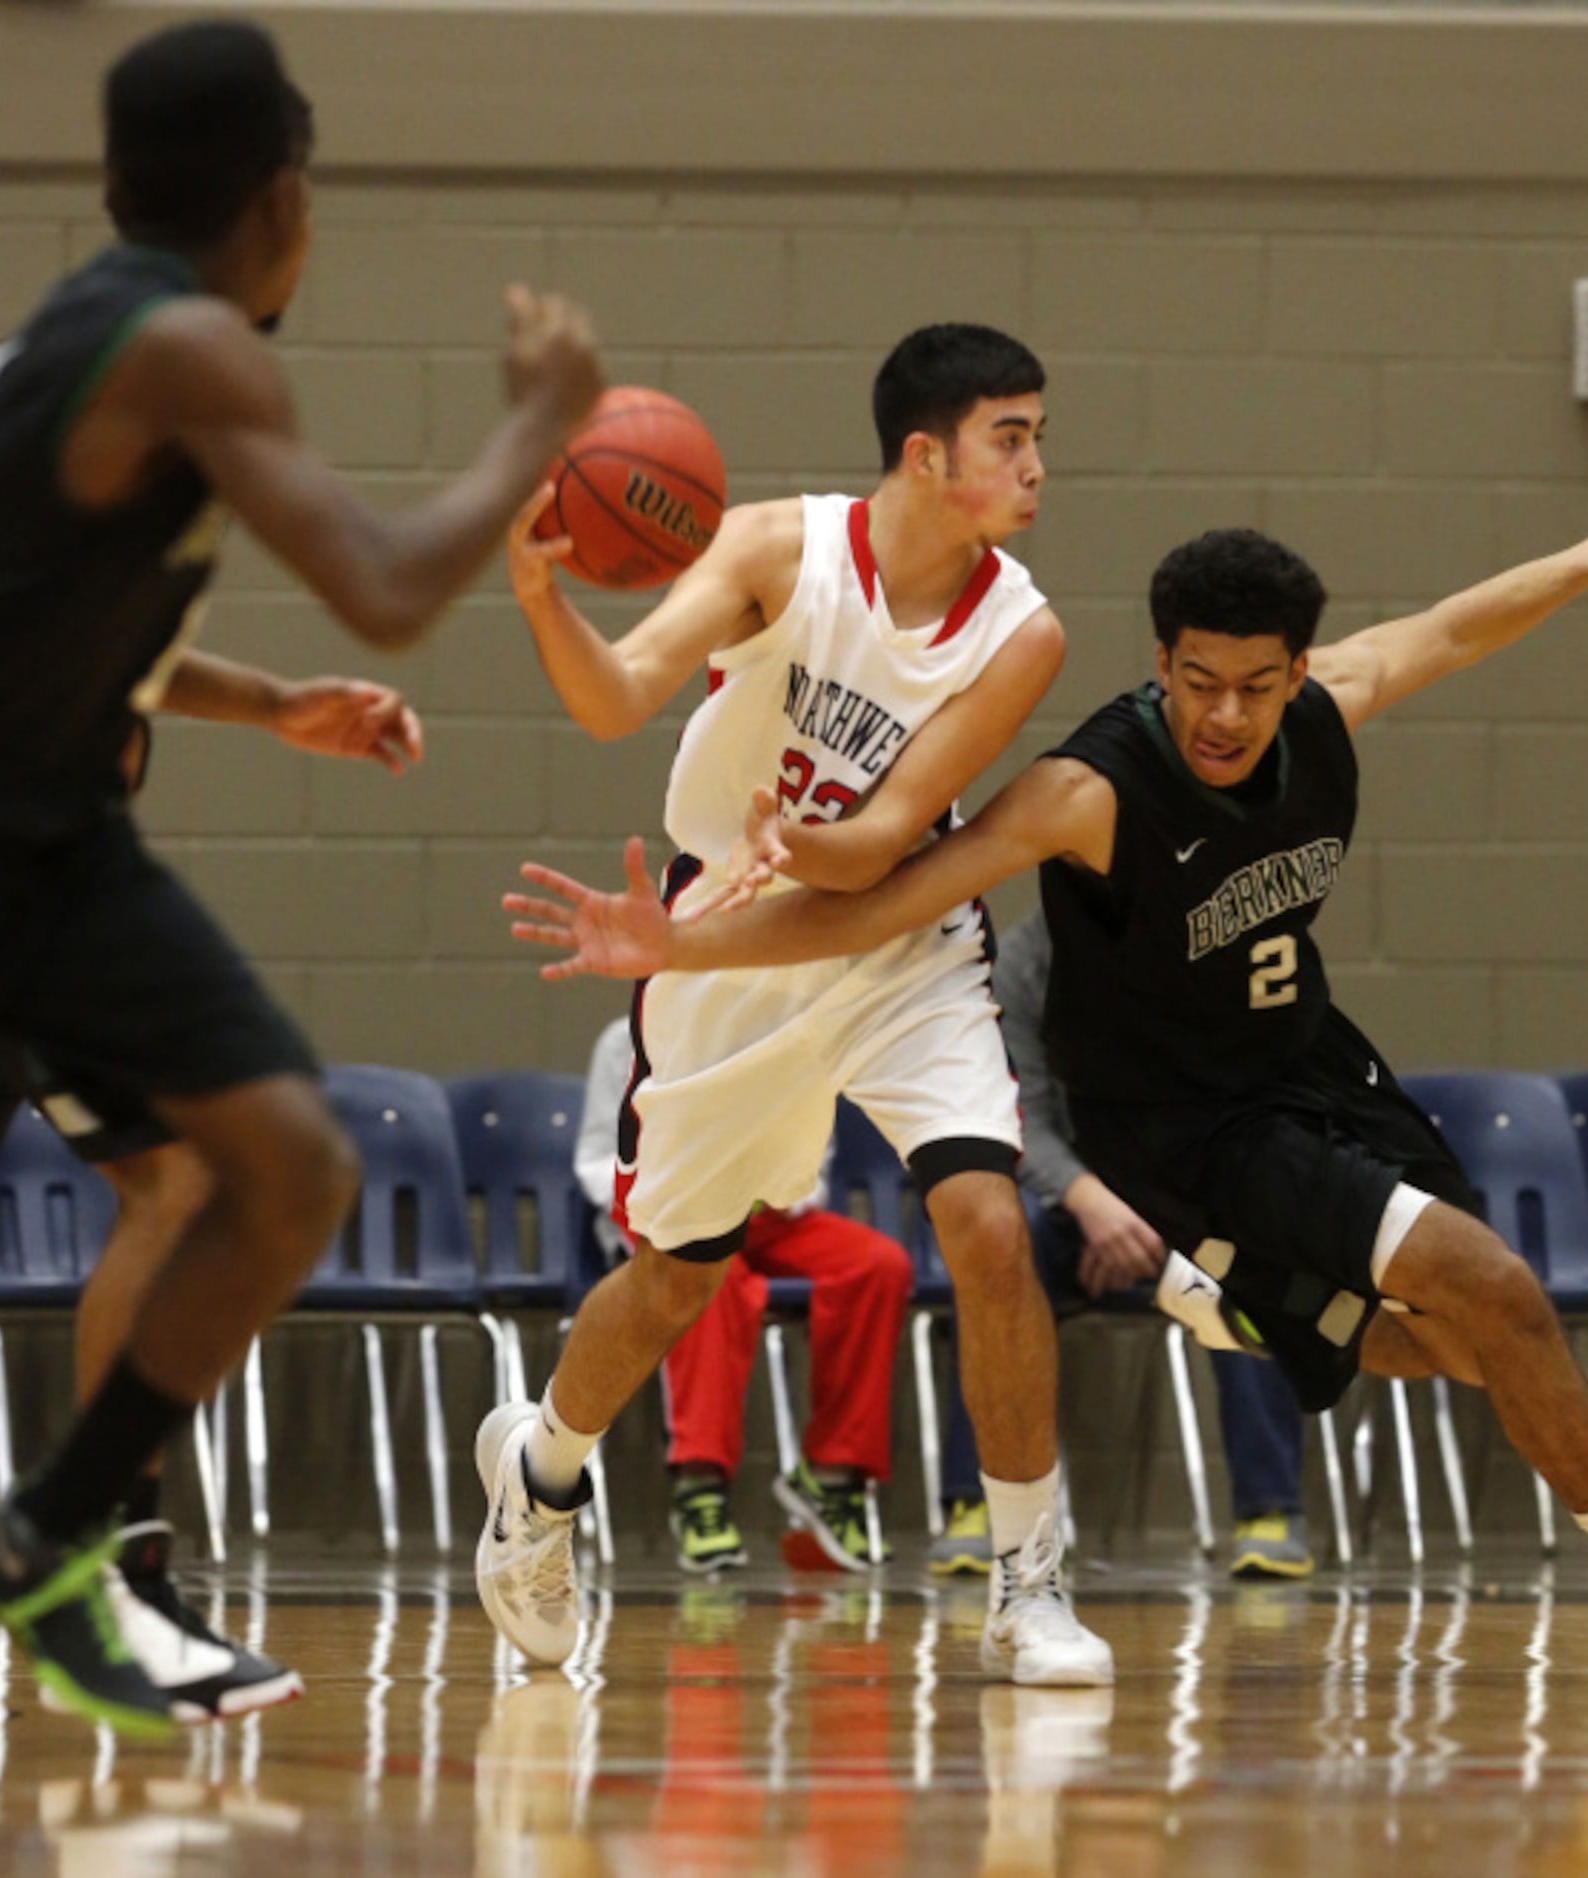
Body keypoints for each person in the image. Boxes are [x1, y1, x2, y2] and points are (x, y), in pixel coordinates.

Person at [511, 518, 1588, 1685]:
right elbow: (895, 895)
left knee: (1455, 1332)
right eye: (1196, 681)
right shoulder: (1091, 790)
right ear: (1158, 661)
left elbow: (1453, 628)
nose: (1223, 715)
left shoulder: (1321, 716)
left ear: (1297, 674)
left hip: (1314, 1077)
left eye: (1253, 686)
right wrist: (679, 943)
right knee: (1499, 1293)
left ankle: (1253, 1313)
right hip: (1183, 1132)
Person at [0, 18, 601, 1736]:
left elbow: (72, 626)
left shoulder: (93, 340)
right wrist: (535, 426)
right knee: (261, 1172)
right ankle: (61, 1537)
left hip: (56, 845)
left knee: (274, 1163)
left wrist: (272, 709)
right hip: (12, 841)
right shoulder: (190, 351)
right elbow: (392, 581)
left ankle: (54, 1533)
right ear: (282, 198)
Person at [475, 322, 1112, 1688]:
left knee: (986, 1224)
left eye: (1039, 433)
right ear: (927, 452)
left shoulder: (1022, 629)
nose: (1039, 463)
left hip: (899, 937)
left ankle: (1027, 1576)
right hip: (720, 939)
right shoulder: (773, 550)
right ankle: (538, 1478)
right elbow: (619, 696)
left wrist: (802, 839)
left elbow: (887, 833)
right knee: (673, 1279)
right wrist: (541, 599)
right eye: (1014, 436)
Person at [0, 647, 422, 1720]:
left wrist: (274, 702)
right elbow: (383, 584)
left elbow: (116, 637)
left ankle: (110, 1564)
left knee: (181, 1179)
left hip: (37, 894)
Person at [929, 910, 1313, 1579]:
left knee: (1256, 1250)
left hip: (1182, 1199)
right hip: (1067, 1204)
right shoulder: (1017, 965)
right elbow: (1015, 1117)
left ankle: (1269, 1511)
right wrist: (1092, 1202)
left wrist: (1143, 1212)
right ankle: (977, 1503)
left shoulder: (1204, 955)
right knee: (993, 1243)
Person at [573, 1018, 912, 1573]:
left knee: (878, 1266)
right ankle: (700, 1485)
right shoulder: (627, 1037)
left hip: (769, 1212)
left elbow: (813, 1156)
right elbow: (595, 1158)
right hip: (670, 1210)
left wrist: (767, 1189)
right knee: (707, 1274)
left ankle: (831, 1475)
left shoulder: (793, 1027)